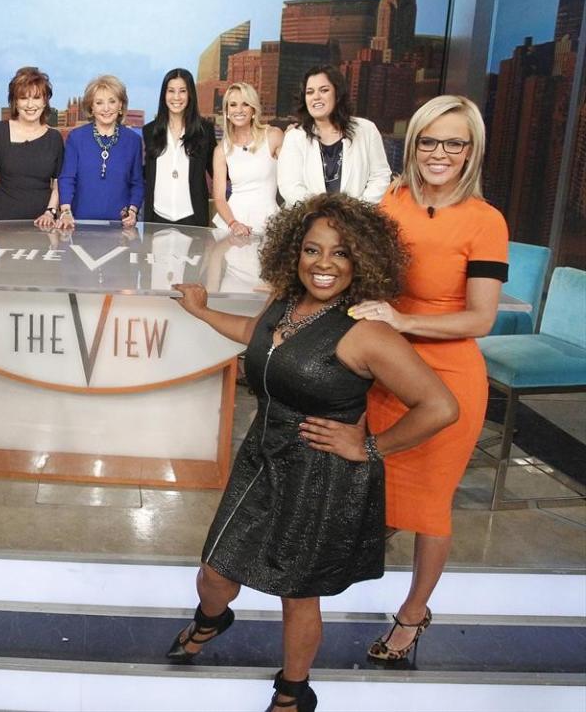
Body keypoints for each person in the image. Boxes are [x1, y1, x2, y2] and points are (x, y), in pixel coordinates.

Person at [168, 194, 458, 712]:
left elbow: (439, 406)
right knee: (215, 572)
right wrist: (201, 310)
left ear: (362, 261)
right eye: (312, 250)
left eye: (341, 254)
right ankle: (212, 617)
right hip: (261, 455)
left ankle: (293, 690)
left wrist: (367, 445)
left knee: (297, 593)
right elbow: (257, 339)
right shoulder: (284, 301)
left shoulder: (366, 332)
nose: (323, 265)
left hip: (319, 471)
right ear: (293, 253)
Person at [351, 95, 508, 662]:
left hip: (447, 378)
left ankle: (413, 614)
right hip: (387, 370)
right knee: (378, 491)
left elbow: (482, 318)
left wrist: (404, 319)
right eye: (429, 141)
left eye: (455, 143)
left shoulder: (486, 221)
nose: (440, 153)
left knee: (430, 506)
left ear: (472, 152)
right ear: (414, 144)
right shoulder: (393, 201)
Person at [278, 65, 392, 205]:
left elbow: (380, 176)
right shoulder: (295, 137)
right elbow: (290, 186)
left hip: (356, 220)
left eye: (324, 90)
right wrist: (321, 213)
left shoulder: (366, 130)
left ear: (337, 94)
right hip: (309, 220)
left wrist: (357, 211)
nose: (316, 97)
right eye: (310, 92)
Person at [0, 67, 64, 225]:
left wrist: (50, 211)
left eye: (36, 97)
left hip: (42, 222)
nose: (30, 104)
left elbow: (58, 182)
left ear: (45, 101)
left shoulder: (54, 138)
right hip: (3, 218)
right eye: (23, 98)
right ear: (15, 102)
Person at [57, 75, 144, 228]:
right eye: (99, 102)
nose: (106, 108)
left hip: (120, 228)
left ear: (120, 105)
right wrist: (65, 211)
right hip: (80, 225)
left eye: (112, 101)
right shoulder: (76, 138)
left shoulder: (133, 140)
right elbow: (67, 178)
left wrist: (132, 211)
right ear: (91, 107)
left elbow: (137, 183)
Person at [143, 68, 216, 227]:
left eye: (182, 91)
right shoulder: (149, 131)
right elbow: (143, 173)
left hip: (193, 218)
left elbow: (218, 172)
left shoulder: (205, 130)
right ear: (164, 94)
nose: (176, 97)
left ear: (190, 94)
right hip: (156, 218)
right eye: (171, 91)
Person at [211, 82, 284, 237]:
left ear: (253, 109)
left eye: (245, 104)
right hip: (232, 225)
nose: (239, 110)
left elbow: (292, 179)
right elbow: (219, 198)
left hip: (268, 224)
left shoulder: (273, 136)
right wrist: (233, 224)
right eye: (233, 105)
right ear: (227, 112)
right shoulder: (221, 150)